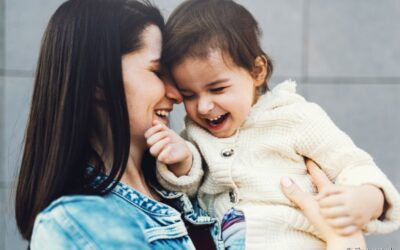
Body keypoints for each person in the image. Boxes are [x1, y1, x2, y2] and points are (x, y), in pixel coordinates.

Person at [15, 0, 368, 249]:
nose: (177, 93)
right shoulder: (78, 225)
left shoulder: (188, 191)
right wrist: (345, 243)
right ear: (98, 82)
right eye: (157, 73)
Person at [146, 0, 400, 249]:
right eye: (189, 95)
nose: (203, 107)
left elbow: (353, 164)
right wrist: (182, 164)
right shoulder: (195, 133)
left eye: (218, 89)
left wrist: (368, 199)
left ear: (258, 71)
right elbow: (188, 191)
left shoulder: (294, 117)